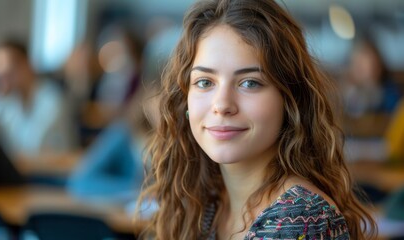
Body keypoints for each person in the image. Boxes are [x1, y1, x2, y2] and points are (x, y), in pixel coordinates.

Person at [137, 0, 377, 239]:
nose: (221, 105)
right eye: (205, 82)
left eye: (249, 83)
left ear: (289, 100)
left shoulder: (301, 217)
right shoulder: (203, 203)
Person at [0, 39, 75, 159]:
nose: (3, 82)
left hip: (51, 173)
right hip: (22, 171)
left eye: (8, 73)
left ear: (26, 65)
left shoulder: (52, 100)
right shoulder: (6, 99)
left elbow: (34, 146)